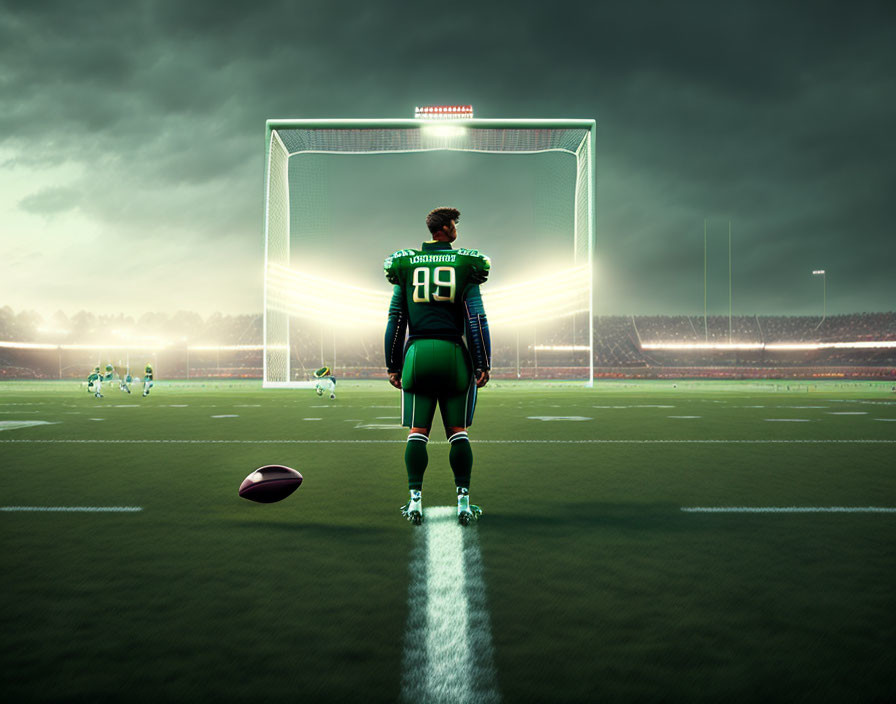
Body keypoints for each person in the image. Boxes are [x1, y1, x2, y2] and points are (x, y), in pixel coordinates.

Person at [383, 206, 491, 526]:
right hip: (453, 353)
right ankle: (464, 503)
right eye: (454, 223)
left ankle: (415, 500)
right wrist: (483, 361)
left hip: (417, 354)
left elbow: (395, 318)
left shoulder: (405, 263)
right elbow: (476, 318)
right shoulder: (466, 264)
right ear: (445, 228)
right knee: (458, 432)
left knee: (418, 432)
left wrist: (393, 364)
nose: (456, 228)